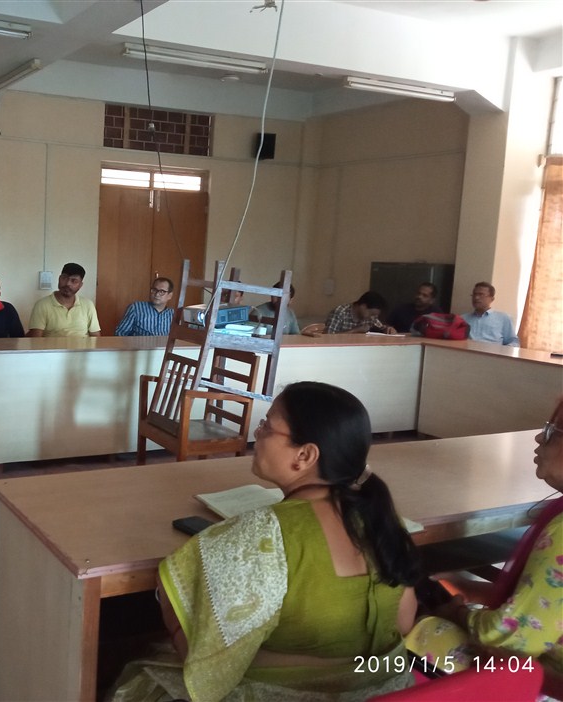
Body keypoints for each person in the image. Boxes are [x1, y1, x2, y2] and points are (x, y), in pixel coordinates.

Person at [111, 382, 421, 701]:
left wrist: (166, 596)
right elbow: (404, 621)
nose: (257, 434)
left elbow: (208, 669)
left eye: (267, 427)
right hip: (386, 690)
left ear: (304, 455)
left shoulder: (264, 533)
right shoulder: (383, 519)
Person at [405, 399, 562, 686]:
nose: (540, 438)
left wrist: (457, 614)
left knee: (422, 630)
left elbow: (507, 638)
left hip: (546, 684)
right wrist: (471, 588)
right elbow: (550, 606)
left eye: (553, 432)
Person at [27, 262, 101, 337]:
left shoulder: (88, 305)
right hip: (53, 344)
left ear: (80, 285)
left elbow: (95, 336)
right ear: (59, 279)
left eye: (74, 281)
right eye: (64, 278)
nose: (68, 283)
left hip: (83, 344)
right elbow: (36, 339)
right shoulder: (42, 305)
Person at [460, 282, 520, 346]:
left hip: (492, 351)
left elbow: (514, 342)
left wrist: (503, 350)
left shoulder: (503, 318)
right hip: (467, 351)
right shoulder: (463, 319)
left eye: (481, 295)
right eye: (474, 294)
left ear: (492, 299)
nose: (476, 298)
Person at [325, 291, 397, 334]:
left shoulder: (370, 318)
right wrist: (355, 330)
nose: (373, 317)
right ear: (363, 306)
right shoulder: (340, 312)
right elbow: (328, 337)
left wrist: (388, 329)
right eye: (372, 314)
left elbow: (381, 327)